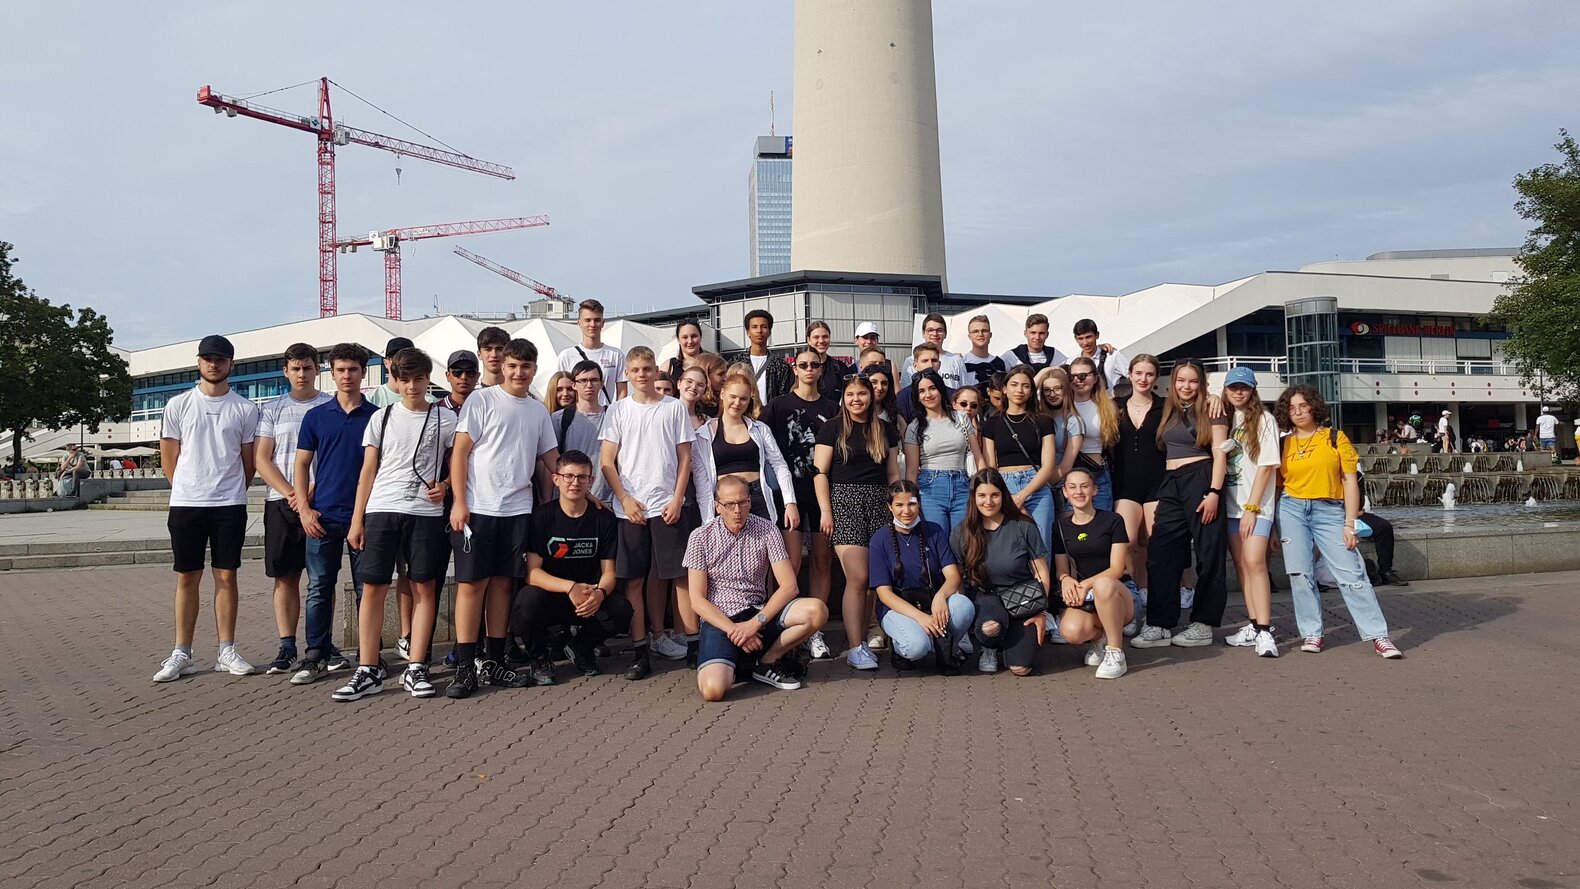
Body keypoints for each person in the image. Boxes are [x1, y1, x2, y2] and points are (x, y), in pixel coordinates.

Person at [336, 348, 455, 701]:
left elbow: (462, 464)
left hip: (426, 513)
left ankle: (416, 665)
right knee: (372, 587)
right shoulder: (382, 417)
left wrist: (446, 485)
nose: (413, 386)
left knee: (424, 588)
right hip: (381, 509)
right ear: (396, 381)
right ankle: (368, 667)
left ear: (428, 379)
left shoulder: (444, 419)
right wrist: (357, 520)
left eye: (420, 379)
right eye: (406, 380)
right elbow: (367, 471)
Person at [446, 338, 561, 698]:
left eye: (526, 367)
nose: (518, 372)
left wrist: (586, 493)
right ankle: (467, 667)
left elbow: (552, 459)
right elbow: (460, 454)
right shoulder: (482, 400)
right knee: (471, 586)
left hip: (518, 510)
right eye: (512, 366)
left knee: (503, 586)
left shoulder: (538, 411)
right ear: (503, 366)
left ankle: (495, 661)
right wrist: (459, 502)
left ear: (534, 369)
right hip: (479, 509)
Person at [152, 334, 261, 683]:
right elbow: (169, 456)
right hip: (186, 504)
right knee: (187, 577)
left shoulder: (245, 409)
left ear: (231, 364)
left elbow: (248, 464)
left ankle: (226, 649)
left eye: (221, 359)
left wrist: (229, 490)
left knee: (226, 576)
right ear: (198, 362)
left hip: (229, 503)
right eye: (207, 358)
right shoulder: (178, 405)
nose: (214, 364)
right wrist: (186, 487)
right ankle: (182, 652)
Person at [1275, 385, 1403, 658]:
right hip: (1291, 509)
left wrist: (1349, 522)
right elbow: (1277, 485)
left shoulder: (1334, 438)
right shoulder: (1283, 443)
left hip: (1329, 510)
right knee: (1299, 574)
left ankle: (1379, 636)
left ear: (1314, 407)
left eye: (1303, 406)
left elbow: (1349, 479)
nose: (1297, 412)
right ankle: (1312, 632)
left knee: (1352, 573)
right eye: (1291, 407)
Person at [600, 345, 697, 679]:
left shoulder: (673, 409)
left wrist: (677, 498)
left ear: (657, 371)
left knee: (680, 577)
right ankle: (641, 649)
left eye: (647, 369)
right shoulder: (618, 411)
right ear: (627, 373)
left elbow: (685, 458)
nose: (642, 375)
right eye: (636, 370)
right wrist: (625, 499)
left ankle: (694, 645)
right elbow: (606, 462)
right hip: (631, 511)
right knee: (634, 582)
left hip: (667, 505)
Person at [687, 476, 827, 701]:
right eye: (729, 504)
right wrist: (736, 630)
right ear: (717, 506)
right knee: (713, 690)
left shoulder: (767, 529)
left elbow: (789, 586)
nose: (737, 510)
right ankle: (738, 661)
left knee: (816, 610)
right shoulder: (700, 537)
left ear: (750, 502)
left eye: (742, 502)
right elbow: (696, 599)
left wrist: (754, 624)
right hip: (721, 618)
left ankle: (767, 661)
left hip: (758, 611)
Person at [290, 343, 378, 684]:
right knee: (318, 587)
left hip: (364, 517)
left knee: (366, 589)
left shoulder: (375, 416)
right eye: (340, 370)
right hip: (322, 516)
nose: (346, 376)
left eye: (353, 370)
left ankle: (368, 657)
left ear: (363, 373)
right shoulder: (316, 416)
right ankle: (315, 654)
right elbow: (301, 465)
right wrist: (304, 509)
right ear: (331, 373)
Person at [1131, 359, 1230, 649]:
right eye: (1181, 381)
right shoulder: (1169, 410)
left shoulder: (1212, 410)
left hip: (1202, 479)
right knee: (1161, 550)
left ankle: (1203, 623)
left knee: (1208, 551)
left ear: (1202, 384)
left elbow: (1220, 454)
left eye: (1193, 381)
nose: (1186, 387)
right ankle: (1160, 623)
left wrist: (1214, 491)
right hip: (1171, 481)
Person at [514, 449, 634, 684]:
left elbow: (610, 573)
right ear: (556, 479)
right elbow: (533, 573)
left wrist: (599, 594)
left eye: (582, 477)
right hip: (551, 595)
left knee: (621, 610)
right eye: (568, 476)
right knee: (525, 603)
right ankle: (539, 658)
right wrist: (570, 587)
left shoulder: (604, 518)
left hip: (588, 598)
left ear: (591, 481)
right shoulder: (541, 517)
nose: (575, 482)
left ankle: (581, 646)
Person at [254, 343, 332, 676]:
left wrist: (308, 493)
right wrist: (291, 493)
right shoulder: (272, 409)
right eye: (295, 368)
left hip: (322, 502)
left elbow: (334, 458)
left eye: (308, 367)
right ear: (286, 371)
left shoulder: (330, 406)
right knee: (285, 577)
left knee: (321, 579)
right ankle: (287, 644)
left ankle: (322, 645)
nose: (302, 374)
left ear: (317, 369)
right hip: (282, 503)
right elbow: (261, 458)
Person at [814, 374, 900, 670]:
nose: (856, 400)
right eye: (850, 394)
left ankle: (863, 640)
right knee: (858, 578)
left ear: (871, 397)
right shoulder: (832, 428)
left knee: (874, 581)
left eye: (862, 394)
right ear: (844, 398)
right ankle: (854, 647)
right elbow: (820, 472)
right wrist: (826, 510)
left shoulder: (885, 430)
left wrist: (898, 507)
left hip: (879, 503)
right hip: (844, 502)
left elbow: (892, 475)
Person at [762, 346, 840, 659]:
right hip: (788, 496)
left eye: (815, 365)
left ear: (821, 369)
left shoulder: (832, 407)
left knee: (822, 560)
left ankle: (814, 631)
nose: (809, 369)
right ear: (795, 369)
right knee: (790, 563)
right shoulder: (778, 406)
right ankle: (784, 623)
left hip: (821, 492)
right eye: (803, 364)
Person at [952, 468, 1052, 676]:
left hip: (1021, 598)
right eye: (982, 495)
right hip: (986, 597)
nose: (988, 501)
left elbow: (1041, 572)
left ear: (1003, 495)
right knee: (990, 628)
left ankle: (1013, 643)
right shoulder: (963, 532)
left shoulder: (1023, 526)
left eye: (994, 495)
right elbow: (957, 578)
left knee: (1021, 669)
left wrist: (1040, 611)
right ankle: (989, 647)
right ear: (974, 498)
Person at [869, 480, 972, 673]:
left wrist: (940, 597)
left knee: (964, 607)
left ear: (919, 504)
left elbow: (953, 576)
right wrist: (920, 618)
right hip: (898, 608)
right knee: (917, 647)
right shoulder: (879, 539)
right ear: (890, 507)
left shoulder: (934, 531)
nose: (906, 510)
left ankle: (944, 646)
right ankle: (904, 648)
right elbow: (884, 594)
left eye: (912, 503)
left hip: (932, 600)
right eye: (899, 505)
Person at [1219, 367, 1281, 658]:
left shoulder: (1265, 420)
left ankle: (1266, 631)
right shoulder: (1225, 418)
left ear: (1253, 390)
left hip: (1255, 507)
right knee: (1242, 566)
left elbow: (1267, 467)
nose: (1238, 392)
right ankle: (1254, 624)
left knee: (1255, 562)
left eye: (1244, 387)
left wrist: (1252, 509)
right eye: (1233, 388)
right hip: (1230, 504)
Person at [1051, 467, 1134, 680]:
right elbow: (1061, 568)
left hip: (1117, 595)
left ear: (1095, 490)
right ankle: (1101, 638)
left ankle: (1116, 652)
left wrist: (1086, 583)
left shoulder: (1113, 521)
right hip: (1086, 599)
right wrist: (1066, 579)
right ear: (1065, 493)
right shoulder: (1060, 527)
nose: (1079, 492)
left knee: (1103, 584)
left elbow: (1117, 569)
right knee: (1070, 631)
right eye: (1072, 487)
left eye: (1084, 486)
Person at [692, 376, 798, 528]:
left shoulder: (760, 429)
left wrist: (790, 502)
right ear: (722, 394)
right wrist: (708, 521)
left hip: (757, 494)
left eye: (743, 399)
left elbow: (779, 465)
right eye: (733, 397)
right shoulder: (703, 434)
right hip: (725, 501)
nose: (737, 403)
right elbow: (701, 481)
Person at [1111, 355, 1166, 634]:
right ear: (1130, 375)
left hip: (1157, 482)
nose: (1143, 379)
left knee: (1157, 544)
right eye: (1139, 373)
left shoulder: (1165, 407)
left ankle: (1151, 598)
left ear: (1155, 378)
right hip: (1125, 484)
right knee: (1127, 542)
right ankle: (1130, 604)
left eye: (1149, 374)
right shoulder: (1114, 406)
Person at [980, 365, 1057, 542]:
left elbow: (1049, 465)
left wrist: (1023, 495)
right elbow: (990, 466)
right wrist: (1006, 495)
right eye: (1014, 385)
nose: (1019, 390)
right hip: (1004, 484)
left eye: (1025, 386)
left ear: (1031, 391)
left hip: (1036, 484)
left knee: (1041, 541)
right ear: (1005, 389)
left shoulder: (1044, 422)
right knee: (1010, 543)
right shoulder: (992, 424)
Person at [904, 369, 982, 538]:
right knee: (937, 540)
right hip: (929, 487)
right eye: (922, 391)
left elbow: (978, 457)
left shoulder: (961, 418)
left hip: (962, 484)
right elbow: (911, 470)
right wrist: (911, 501)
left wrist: (981, 487)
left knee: (963, 541)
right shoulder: (915, 426)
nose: (928, 395)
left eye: (932, 388)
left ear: (940, 389)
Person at [1067, 356, 1119, 511]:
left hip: (1097, 473)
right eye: (1072, 377)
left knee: (1101, 525)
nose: (1078, 380)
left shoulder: (1106, 407)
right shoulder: (1061, 406)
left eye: (1083, 376)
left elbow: (1112, 444)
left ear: (1095, 378)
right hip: (1069, 474)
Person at [1033, 366, 1085, 510]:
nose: (1052, 394)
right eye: (1047, 390)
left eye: (1057, 388)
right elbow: (1026, 394)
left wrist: (1041, 483)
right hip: (1037, 488)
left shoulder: (1073, 420)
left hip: (1061, 488)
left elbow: (1066, 465)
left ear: (1065, 389)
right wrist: (1045, 371)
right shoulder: (1038, 416)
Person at [555, 299, 626, 404]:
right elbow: (559, 390)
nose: (592, 324)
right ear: (579, 323)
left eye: (597, 320)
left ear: (602, 323)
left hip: (606, 417)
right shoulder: (566, 356)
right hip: (576, 417)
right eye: (587, 320)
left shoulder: (616, 355)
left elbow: (622, 393)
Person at [900, 313, 967, 390]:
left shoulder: (956, 360)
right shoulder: (910, 361)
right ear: (923, 333)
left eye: (939, 330)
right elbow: (906, 391)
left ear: (945, 334)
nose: (935, 334)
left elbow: (964, 390)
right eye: (930, 330)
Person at [741, 309, 794, 405]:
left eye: (764, 327)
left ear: (769, 331)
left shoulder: (782, 366)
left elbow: (784, 397)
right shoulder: (736, 362)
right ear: (748, 332)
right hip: (742, 415)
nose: (759, 331)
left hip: (771, 416)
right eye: (754, 327)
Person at [368, 337, 432, 407]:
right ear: (386, 362)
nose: (400, 362)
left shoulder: (430, 402)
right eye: (394, 358)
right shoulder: (371, 400)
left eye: (407, 358)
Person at [1069, 319, 1129, 392]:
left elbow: (1133, 376)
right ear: (1076, 339)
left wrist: (1116, 395)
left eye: (1088, 337)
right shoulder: (1071, 362)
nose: (1085, 343)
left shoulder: (1112, 356)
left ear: (1097, 335)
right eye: (1080, 339)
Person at [1000, 313, 1067, 372]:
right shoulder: (1011, 357)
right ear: (1025, 333)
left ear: (1047, 334)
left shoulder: (1056, 356)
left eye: (1041, 333)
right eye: (1033, 333)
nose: (1037, 337)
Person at [806, 320, 848, 402]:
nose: (821, 341)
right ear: (808, 340)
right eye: (816, 337)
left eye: (825, 336)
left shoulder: (840, 368)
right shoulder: (800, 369)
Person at [961, 314, 1005, 390]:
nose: (980, 334)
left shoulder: (999, 363)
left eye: (984, 331)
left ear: (990, 335)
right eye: (975, 331)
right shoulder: (962, 362)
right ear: (969, 336)